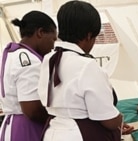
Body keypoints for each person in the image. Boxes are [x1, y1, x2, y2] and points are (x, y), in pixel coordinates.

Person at [37, 1, 125, 141]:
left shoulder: (48, 59)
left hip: (52, 132)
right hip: (79, 134)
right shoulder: (86, 65)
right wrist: (119, 119)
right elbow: (106, 118)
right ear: (89, 35)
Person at [0, 11, 57, 141]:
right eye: (53, 39)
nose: (53, 46)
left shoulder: (12, 53)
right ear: (40, 33)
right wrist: (57, 120)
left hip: (13, 124)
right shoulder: (29, 60)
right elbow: (32, 110)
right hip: (26, 128)